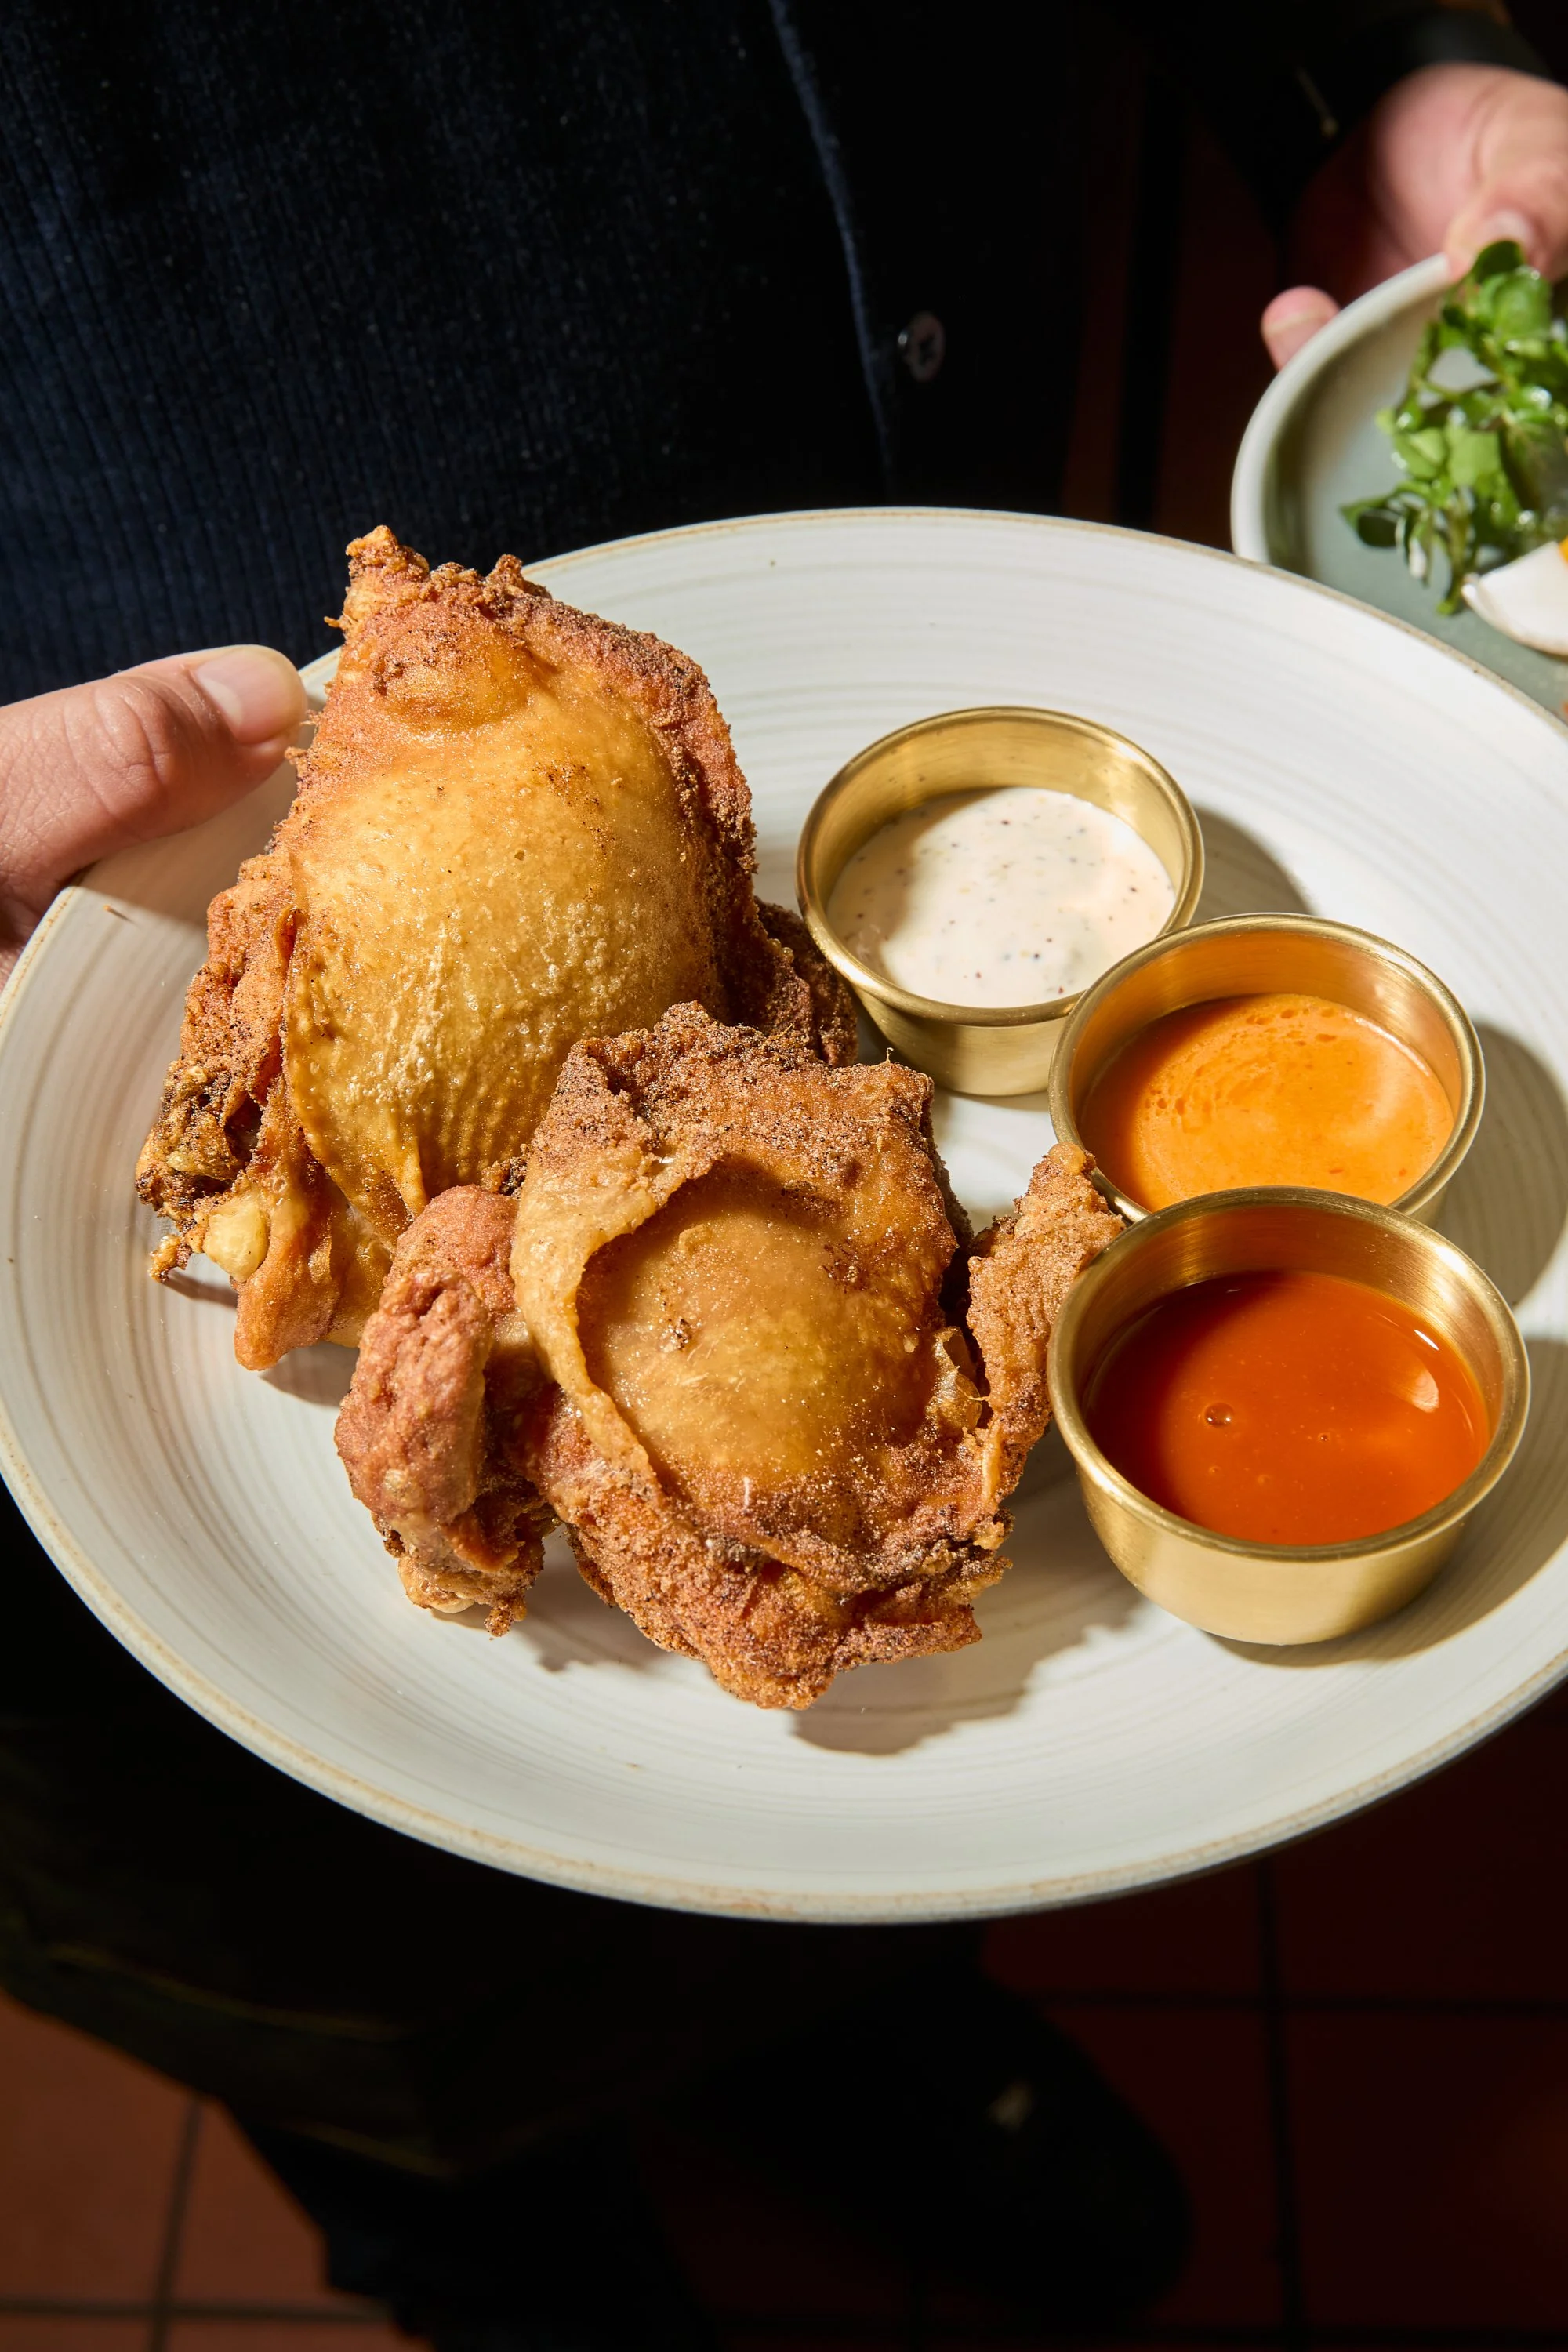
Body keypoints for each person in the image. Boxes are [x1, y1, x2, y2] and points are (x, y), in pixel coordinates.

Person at [2, 6, 1566, 2343]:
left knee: (858, 1888)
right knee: (365, 1989)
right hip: (66, 870)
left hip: (872, 536)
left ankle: (853, 2044)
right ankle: (478, 2240)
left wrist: (1391, 56)